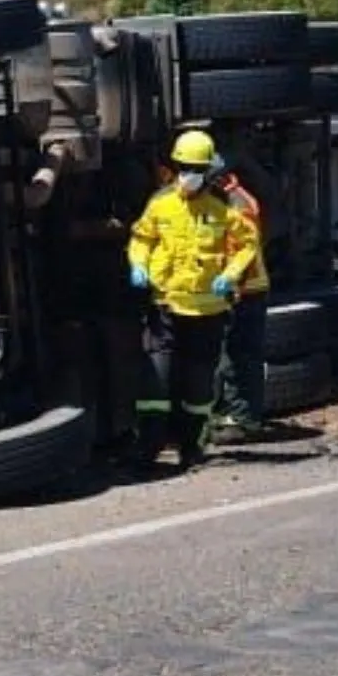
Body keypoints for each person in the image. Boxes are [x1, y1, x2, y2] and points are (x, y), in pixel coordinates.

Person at [125, 130, 260, 468]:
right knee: (156, 378)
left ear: (207, 170)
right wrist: (138, 264)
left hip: (208, 311)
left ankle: (191, 447)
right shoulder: (160, 203)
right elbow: (141, 237)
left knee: (198, 385)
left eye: (196, 168)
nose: (188, 175)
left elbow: (248, 243)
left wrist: (229, 275)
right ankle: (150, 446)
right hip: (166, 306)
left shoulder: (222, 207)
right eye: (184, 167)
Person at [210, 159, 271, 438]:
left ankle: (241, 419)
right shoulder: (232, 198)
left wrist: (230, 286)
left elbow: (240, 252)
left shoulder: (236, 204)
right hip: (242, 290)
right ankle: (236, 416)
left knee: (236, 358)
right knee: (234, 357)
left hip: (243, 292)